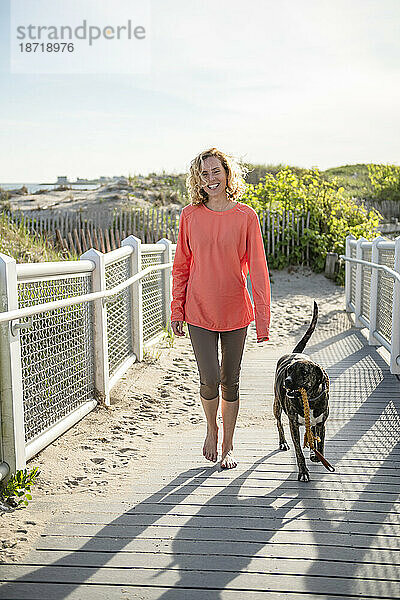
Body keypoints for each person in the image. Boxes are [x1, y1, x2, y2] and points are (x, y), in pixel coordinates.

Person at [170, 147, 271, 469]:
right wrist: (176, 309)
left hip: (235, 310)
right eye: (204, 173)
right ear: (197, 180)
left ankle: (228, 443)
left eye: (216, 171)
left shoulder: (246, 216)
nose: (210, 179)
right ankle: (212, 428)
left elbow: (258, 268)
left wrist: (263, 320)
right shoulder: (190, 215)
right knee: (209, 379)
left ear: (228, 174)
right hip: (198, 309)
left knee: (231, 380)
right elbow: (181, 267)